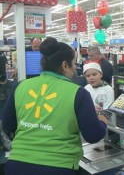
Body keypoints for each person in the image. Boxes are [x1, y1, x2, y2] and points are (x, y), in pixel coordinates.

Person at [2, 37, 108, 175]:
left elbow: (8, 125)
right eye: (73, 63)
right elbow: (93, 135)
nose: (75, 67)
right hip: (58, 167)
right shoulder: (78, 93)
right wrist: (102, 122)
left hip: (17, 165)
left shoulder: (20, 86)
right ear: (65, 65)